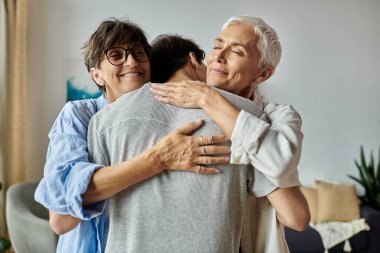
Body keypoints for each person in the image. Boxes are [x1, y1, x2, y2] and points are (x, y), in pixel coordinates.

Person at [86, 30, 309, 253]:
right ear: (194, 60)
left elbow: (88, 201)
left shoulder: (104, 120)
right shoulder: (240, 116)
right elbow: (294, 216)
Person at [35, 18, 230, 253]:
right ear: (97, 75)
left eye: (138, 53)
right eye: (116, 55)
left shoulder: (171, 115)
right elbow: (61, 220)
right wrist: (158, 159)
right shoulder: (78, 115)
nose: (132, 61)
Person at [150, 16, 309, 253]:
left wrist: (208, 97)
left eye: (236, 51)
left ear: (263, 74)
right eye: (216, 46)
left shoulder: (280, 117)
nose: (219, 56)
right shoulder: (181, 114)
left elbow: (297, 218)